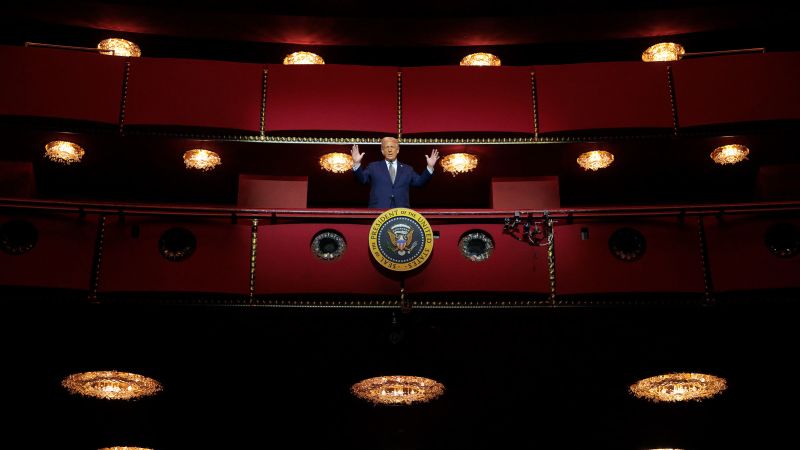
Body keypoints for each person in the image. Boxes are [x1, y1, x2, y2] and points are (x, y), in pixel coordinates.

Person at [351, 137, 439, 209]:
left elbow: (420, 182)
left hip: (401, 212)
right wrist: (356, 163)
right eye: (387, 147)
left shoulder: (407, 169)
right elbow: (362, 180)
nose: (389, 150)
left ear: (397, 150)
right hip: (378, 211)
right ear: (382, 151)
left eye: (392, 147)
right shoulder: (373, 167)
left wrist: (430, 167)